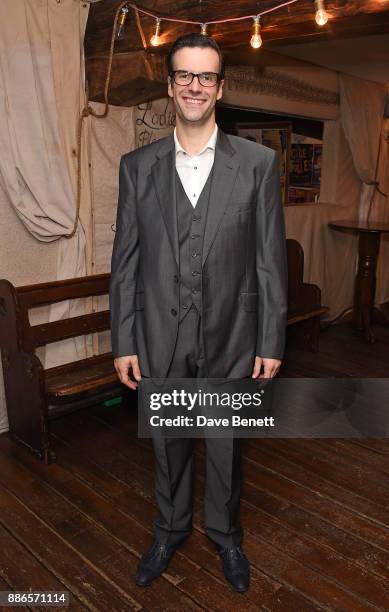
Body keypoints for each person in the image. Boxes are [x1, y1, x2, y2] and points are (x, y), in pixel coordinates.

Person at [109, 33, 288, 593]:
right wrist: (123, 339)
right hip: (160, 332)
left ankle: (227, 536)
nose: (194, 85)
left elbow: (269, 259)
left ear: (220, 88)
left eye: (205, 77)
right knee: (168, 440)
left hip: (233, 332)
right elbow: (126, 261)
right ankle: (168, 529)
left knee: (226, 444)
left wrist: (271, 339)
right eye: (184, 75)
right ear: (169, 85)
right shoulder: (137, 166)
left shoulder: (259, 164)